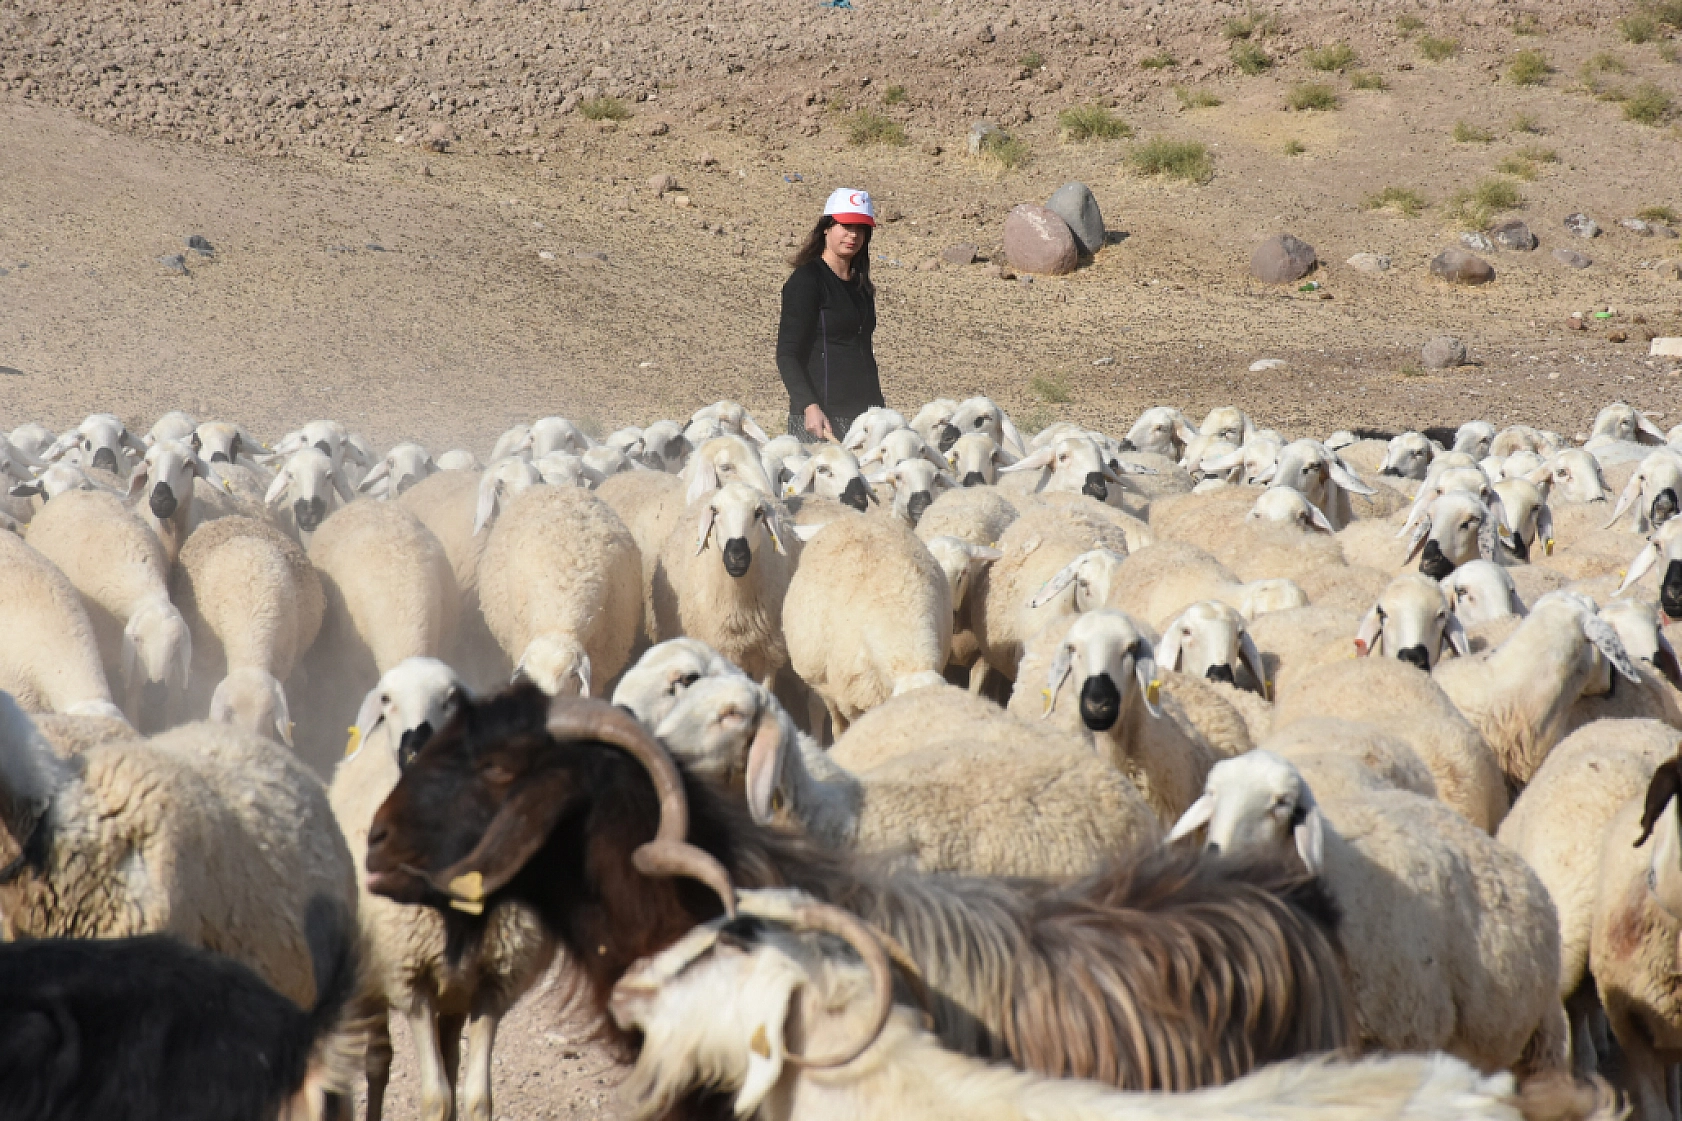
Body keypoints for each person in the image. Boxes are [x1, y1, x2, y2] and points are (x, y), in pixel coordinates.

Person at [776, 187, 885, 443]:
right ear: (826, 227)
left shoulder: (861, 286)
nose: (853, 235)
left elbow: (864, 352)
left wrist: (879, 409)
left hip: (865, 419)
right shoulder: (806, 281)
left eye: (861, 228)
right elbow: (787, 355)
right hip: (821, 420)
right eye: (846, 226)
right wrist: (809, 406)